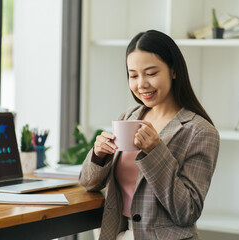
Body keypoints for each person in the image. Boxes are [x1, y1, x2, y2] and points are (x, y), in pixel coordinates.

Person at [79, 30, 220, 240]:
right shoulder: (129, 117)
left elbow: (187, 212)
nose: (141, 84)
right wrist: (99, 155)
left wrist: (155, 152)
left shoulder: (199, 131)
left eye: (151, 73)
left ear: (173, 70)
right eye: (133, 75)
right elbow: (88, 183)